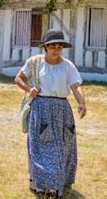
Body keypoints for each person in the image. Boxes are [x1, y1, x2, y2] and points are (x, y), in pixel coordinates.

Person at [14, 29, 86, 198]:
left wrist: (82, 102)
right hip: (41, 108)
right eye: (53, 46)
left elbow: (75, 86)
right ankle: (46, 186)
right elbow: (18, 78)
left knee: (64, 147)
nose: (56, 49)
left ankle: (61, 182)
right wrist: (29, 88)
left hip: (62, 110)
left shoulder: (67, 65)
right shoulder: (35, 62)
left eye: (59, 46)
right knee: (42, 147)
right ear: (45, 47)